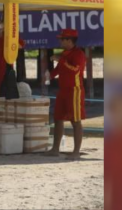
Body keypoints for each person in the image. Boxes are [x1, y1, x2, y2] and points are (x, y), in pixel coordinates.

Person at [44, 29, 87, 160]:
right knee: (58, 118)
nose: (60, 41)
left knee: (75, 121)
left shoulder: (78, 54)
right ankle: (55, 149)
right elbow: (59, 69)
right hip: (63, 90)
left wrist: (60, 60)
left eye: (62, 39)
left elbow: (75, 70)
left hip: (74, 90)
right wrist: (49, 76)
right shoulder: (65, 53)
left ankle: (76, 152)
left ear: (69, 40)